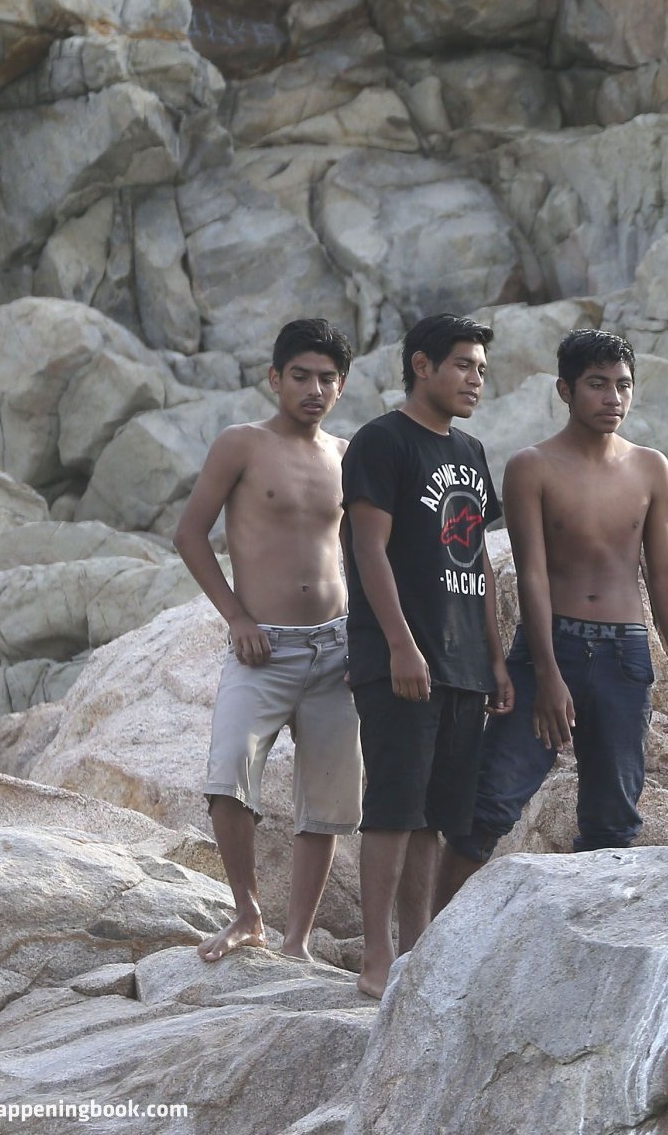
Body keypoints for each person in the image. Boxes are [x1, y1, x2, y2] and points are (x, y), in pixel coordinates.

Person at [436, 330, 668, 901]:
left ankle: (592, 938)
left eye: (623, 385)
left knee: (612, 822)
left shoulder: (651, 467)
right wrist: (549, 674)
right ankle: (429, 939)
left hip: (625, 653)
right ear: (565, 390)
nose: (613, 398)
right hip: (550, 648)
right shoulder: (533, 466)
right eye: (597, 384)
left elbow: (664, 574)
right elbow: (531, 573)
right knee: (487, 807)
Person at [174, 318, 360, 963]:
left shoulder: (346, 454)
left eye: (327, 379)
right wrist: (237, 618)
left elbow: (364, 552)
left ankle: (298, 940)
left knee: (328, 797)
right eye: (301, 376)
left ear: (342, 385)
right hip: (263, 648)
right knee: (229, 774)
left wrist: (368, 637)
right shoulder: (242, 444)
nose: (314, 389)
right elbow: (190, 534)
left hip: (336, 648)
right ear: (275, 378)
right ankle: (247, 913)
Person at [343, 313, 514, 999]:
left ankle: (417, 949)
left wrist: (494, 658)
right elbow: (368, 550)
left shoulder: (470, 451)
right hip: (401, 658)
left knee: (436, 815)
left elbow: (479, 561)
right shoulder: (381, 441)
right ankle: (375, 954)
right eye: (463, 365)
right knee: (393, 805)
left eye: (481, 369)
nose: (476, 380)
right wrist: (400, 645)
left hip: (462, 662)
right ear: (422, 365)